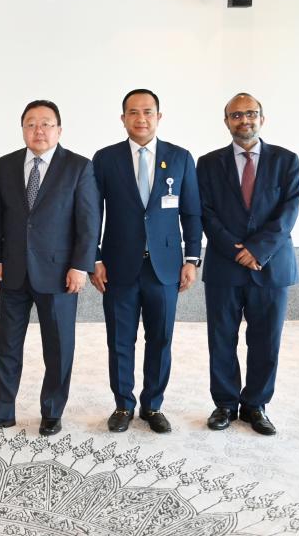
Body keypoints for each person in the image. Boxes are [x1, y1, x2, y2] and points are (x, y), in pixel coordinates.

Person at [0, 100, 99, 437]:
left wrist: (80, 266)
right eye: (31, 124)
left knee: (58, 347)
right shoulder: (7, 163)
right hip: (13, 270)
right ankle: (1, 411)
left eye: (46, 123)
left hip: (59, 274)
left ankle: (52, 411)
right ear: (23, 129)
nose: (38, 130)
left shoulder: (78, 166)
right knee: (7, 345)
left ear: (59, 129)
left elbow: (89, 222)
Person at [90, 88, 202, 434]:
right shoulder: (105, 158)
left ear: (159, 117)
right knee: (120, 340)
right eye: (133, 112)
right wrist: (94, 257)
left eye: (148, 112)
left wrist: (192, 259)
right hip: (118, 267)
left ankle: (153, 405)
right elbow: (93, 212)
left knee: (161, 339)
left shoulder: (180, 158)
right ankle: (123, 404)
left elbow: (192, 212)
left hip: (165, 268)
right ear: (123, 118)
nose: (141, 119)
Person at [196, 93, 299, 436]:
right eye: (237, 115)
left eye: (251, 113)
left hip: (271, 266)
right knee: (221, 338)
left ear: (262, 118)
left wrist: (257, 250)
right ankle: (225, 404)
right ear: (226, 121)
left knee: (266, 341)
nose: (245, 120)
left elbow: (288, 212)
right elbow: (205, 212)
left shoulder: (286, 161)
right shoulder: (208, 163)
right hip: (225, 266)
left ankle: (256, 404)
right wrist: (235, 249)